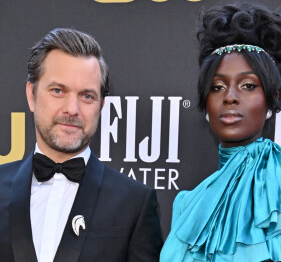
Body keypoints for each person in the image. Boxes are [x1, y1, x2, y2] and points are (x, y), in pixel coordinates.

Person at [0, 28, 162, 262]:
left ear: (101, 105)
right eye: (58, 91)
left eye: (87, 96)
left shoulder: (135, 203)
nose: (72, 109)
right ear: (31, 95)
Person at [160, 2, 281, 261]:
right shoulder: (187, 204)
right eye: (217, 87)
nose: (230, 97)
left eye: (248, 85)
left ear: (272, 98)